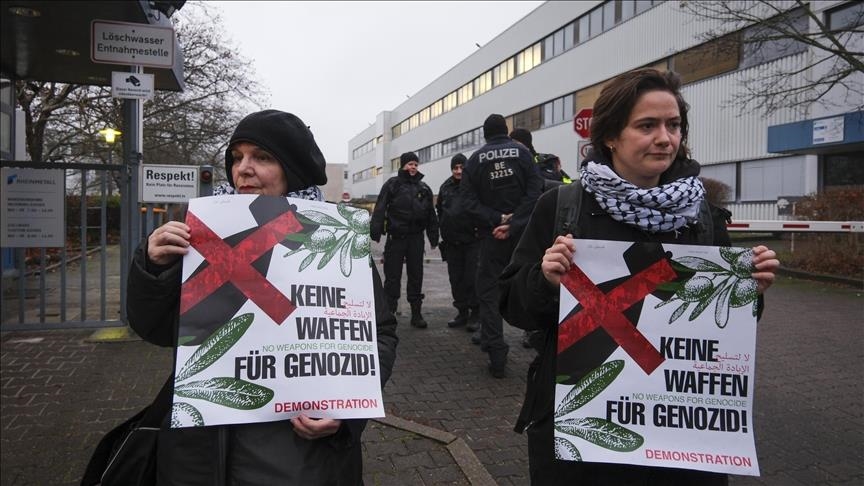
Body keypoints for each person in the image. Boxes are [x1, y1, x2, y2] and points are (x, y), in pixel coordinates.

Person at [499, 69, 780, 484]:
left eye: (673, 125)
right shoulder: (561, 207)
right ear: (611, 135)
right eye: (647, 126)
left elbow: (718, 327)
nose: (665, 138)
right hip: (582, 434)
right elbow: (513, 306)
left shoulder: (702, 214)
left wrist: (748, 293)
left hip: (682, 441)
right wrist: (545, 282)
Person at [126, 109, 399, 485]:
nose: (243, 168)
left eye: (262, 157)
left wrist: (345, 413)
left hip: (297, 462)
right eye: (237, 157)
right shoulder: (203, 235)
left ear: (294, 169)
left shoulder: (334, 241)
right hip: (198, 455)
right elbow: (154, 330)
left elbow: (377, 335)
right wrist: (154, 268)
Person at [461, 114, 543, 378]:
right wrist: (515, 222)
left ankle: (496, 353)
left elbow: (467, 201)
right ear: (506, 132)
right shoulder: (523, 154)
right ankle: (541, 344)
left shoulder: (475, 160)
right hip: (523, 237)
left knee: (488, 294)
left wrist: (497, 220)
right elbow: (536, 190)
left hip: (491, 237)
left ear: (485, 134)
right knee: (532, 288)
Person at [370, 152, 439, 328]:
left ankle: (416, 314)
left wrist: (433, 237)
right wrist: (375, 232)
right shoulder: (392, 185)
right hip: (396, 239)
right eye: (409, 164)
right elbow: (380, 208)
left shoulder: (424, 188)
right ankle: (389, 314)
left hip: (416, 239)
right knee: (392, 277)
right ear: (402, 166)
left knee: (416, 276)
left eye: (415, 164)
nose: (413, 167)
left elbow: (431, 215)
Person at [436, 153, 480, 331]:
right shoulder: (445, 187)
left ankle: (475, 314)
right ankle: (462, 313)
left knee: (472, 279)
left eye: (462, 167)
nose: (458, 171)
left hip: (472, 242)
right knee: (456, 279)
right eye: (455, 168)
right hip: (452, 243)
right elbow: (440, 210)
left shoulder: (475, 185)